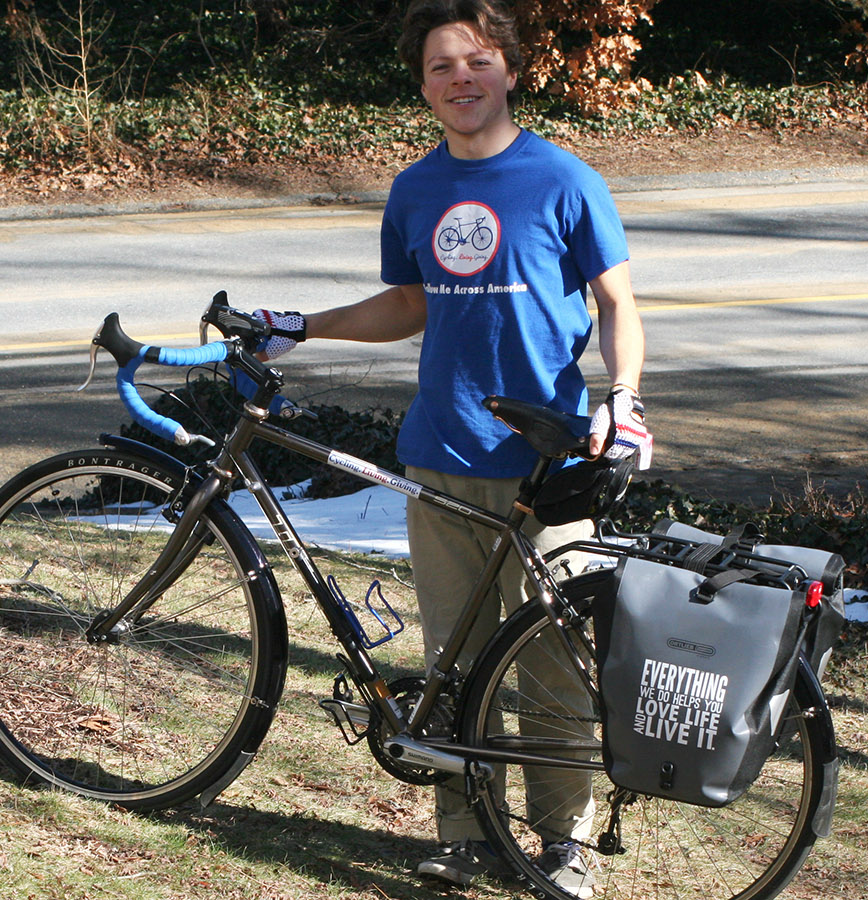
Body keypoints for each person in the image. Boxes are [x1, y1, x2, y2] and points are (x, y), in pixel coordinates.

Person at [244, 0, 651, 894]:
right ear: (423, 85)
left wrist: (622, 401)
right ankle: (467, 835)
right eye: (440, 67)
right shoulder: (418, 188)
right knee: (453, 664)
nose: (459, 79)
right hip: (440, 454)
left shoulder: (565, 179)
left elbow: (618, 304)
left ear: (509, 70)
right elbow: (408, 305)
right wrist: (299, 325)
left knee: (550, 664)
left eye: (475, 61)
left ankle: (562, 845)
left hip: (550, 465)